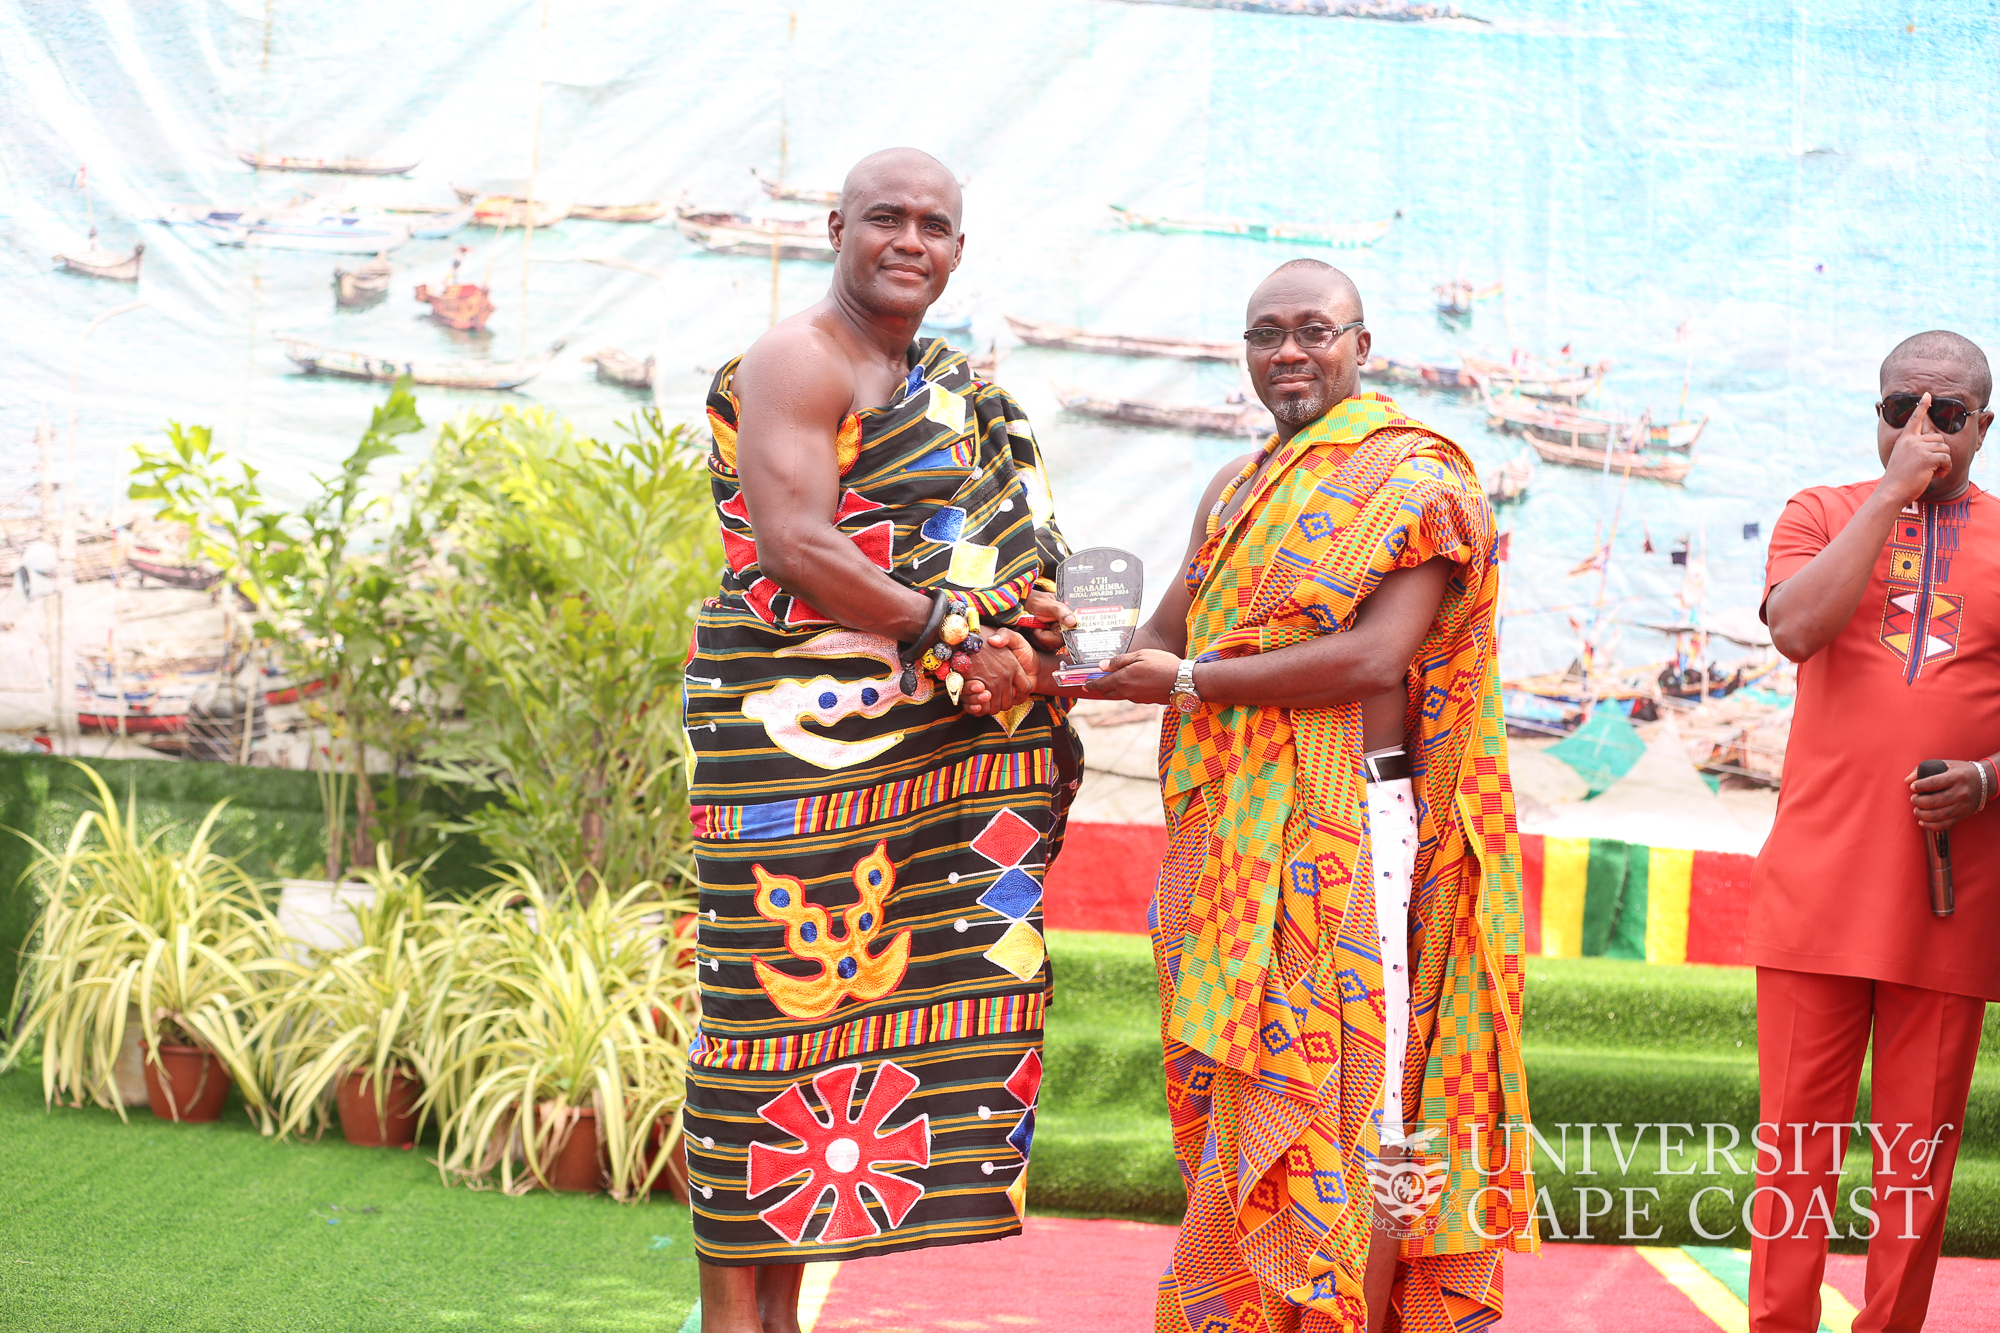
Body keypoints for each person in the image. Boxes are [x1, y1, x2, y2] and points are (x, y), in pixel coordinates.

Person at [1083, 259, 1535, 1332]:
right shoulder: (1235, 491)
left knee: (1370, 1112)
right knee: (1252, 1102)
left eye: (1312, 331)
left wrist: (1187, 681)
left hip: (1358, 837)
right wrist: (1059, 652)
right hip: (1235, 847)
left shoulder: (1416, 482)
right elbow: (1157, 643)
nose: (1287, 352)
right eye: (1263, 334)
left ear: (1361, 346)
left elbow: (1374, 657)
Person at [682, 148, 1080, 1333]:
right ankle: (726, 1320)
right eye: (886, 219)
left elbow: (991, 551)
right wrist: (960, 631)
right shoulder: (796, 357)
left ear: (958, 248)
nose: (910, 241)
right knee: (759, 1027)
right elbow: (797, 543)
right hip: (787, 752)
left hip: (919, 750)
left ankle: (781, 1319)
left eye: (935, 225)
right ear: (836, 227)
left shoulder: (946, 381)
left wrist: (1024, 625)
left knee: (843, 1036)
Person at [1751, 330, 1999, 1333]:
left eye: (1945, 412)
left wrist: (1985, 779)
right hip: (1815, 885)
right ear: (1877, 413)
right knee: (1793, 1148)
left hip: (1948, 894)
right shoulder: (1816, 511)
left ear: (1982, 425)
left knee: (1915, 1160)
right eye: (1899, 406)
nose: (1920, 427)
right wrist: (1890, 493)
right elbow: (1794, 628)